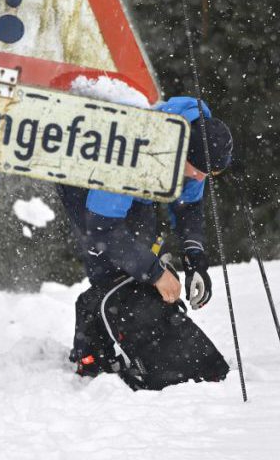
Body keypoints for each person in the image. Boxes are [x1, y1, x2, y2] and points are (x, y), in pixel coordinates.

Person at [58, 96, 233, 390]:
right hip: (87, 179)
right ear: (178, 152)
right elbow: (102, 229)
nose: (201, 176)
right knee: (113, 269)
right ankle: (94, 353)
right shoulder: (134, 151)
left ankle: (147, 345)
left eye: (210, 173)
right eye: (198, 169)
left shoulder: (197, 141)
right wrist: (154, 273)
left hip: (139, 188)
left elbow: (189, 206)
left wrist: (195, 257)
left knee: (143, 259)